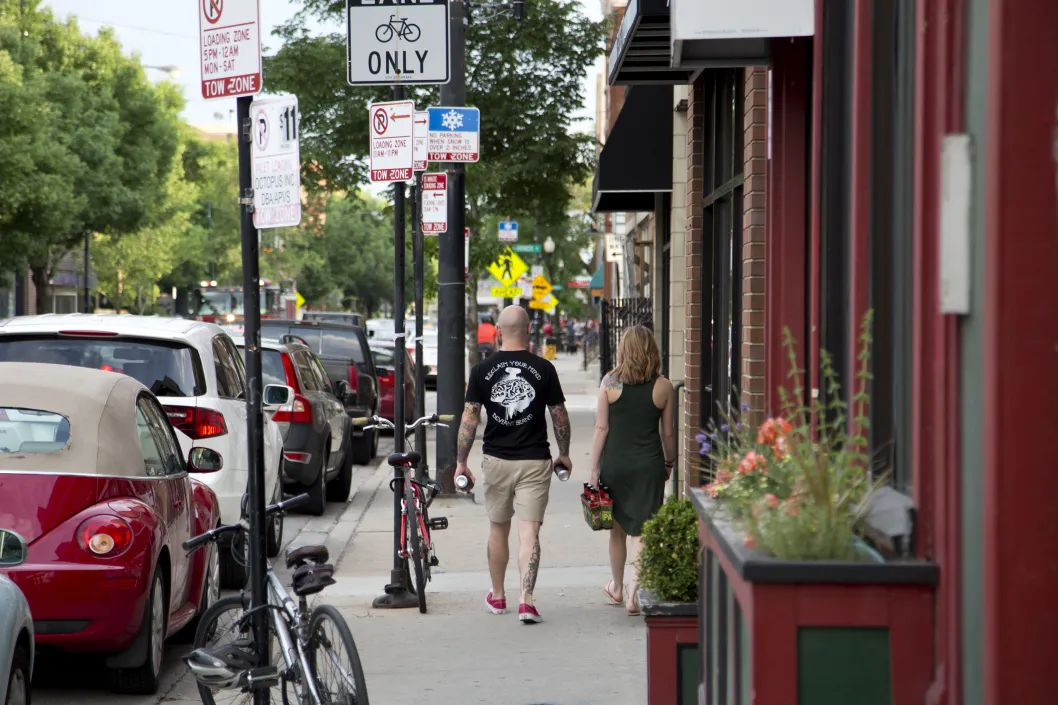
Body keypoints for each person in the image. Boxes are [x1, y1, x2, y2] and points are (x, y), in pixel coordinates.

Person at [455, 305, 572, 624]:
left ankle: (498, 595)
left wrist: (461, 462)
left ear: (498, 332)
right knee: (529, 533)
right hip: (535, 460)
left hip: (496, 460)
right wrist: (564, 452)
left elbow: (469, 419)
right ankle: (526, 600)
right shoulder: (544, 368)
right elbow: (559, 415)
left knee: (498, 529)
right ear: (529, 330)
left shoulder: (481, 370)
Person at [590, 325, 675, 616]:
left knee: (618, 531)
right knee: (643, 532)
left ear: (623, 349)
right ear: (652, 350)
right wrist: (669, 463)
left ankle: (616, 586)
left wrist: (593, 470)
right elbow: (668, 434)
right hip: (649, 465)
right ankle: (633, 595)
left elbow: (601, 428)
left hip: (615, 465)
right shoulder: (663, 386)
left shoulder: (610, 383)